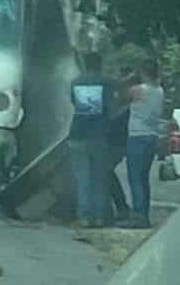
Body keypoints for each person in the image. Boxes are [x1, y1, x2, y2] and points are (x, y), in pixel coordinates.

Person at [68, 51, 111, 228]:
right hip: (99, 135)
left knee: (82, 178)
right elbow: (109, 105)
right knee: (99, 178)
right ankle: (99, 217)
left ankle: (84, 217)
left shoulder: (75, 82)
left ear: (85, 64)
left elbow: (74, 103)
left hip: (78, 134)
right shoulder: (106, 82)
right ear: (100, 64)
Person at [121, 58, 164, 229]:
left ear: (142, 72)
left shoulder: (138, 90)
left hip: (137, 136)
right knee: (143, 178)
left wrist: (129, 78)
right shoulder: (160, 91)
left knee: (135, 178)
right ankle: (143, 213)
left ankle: (138, 215)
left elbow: (121, 95)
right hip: (152, 136)